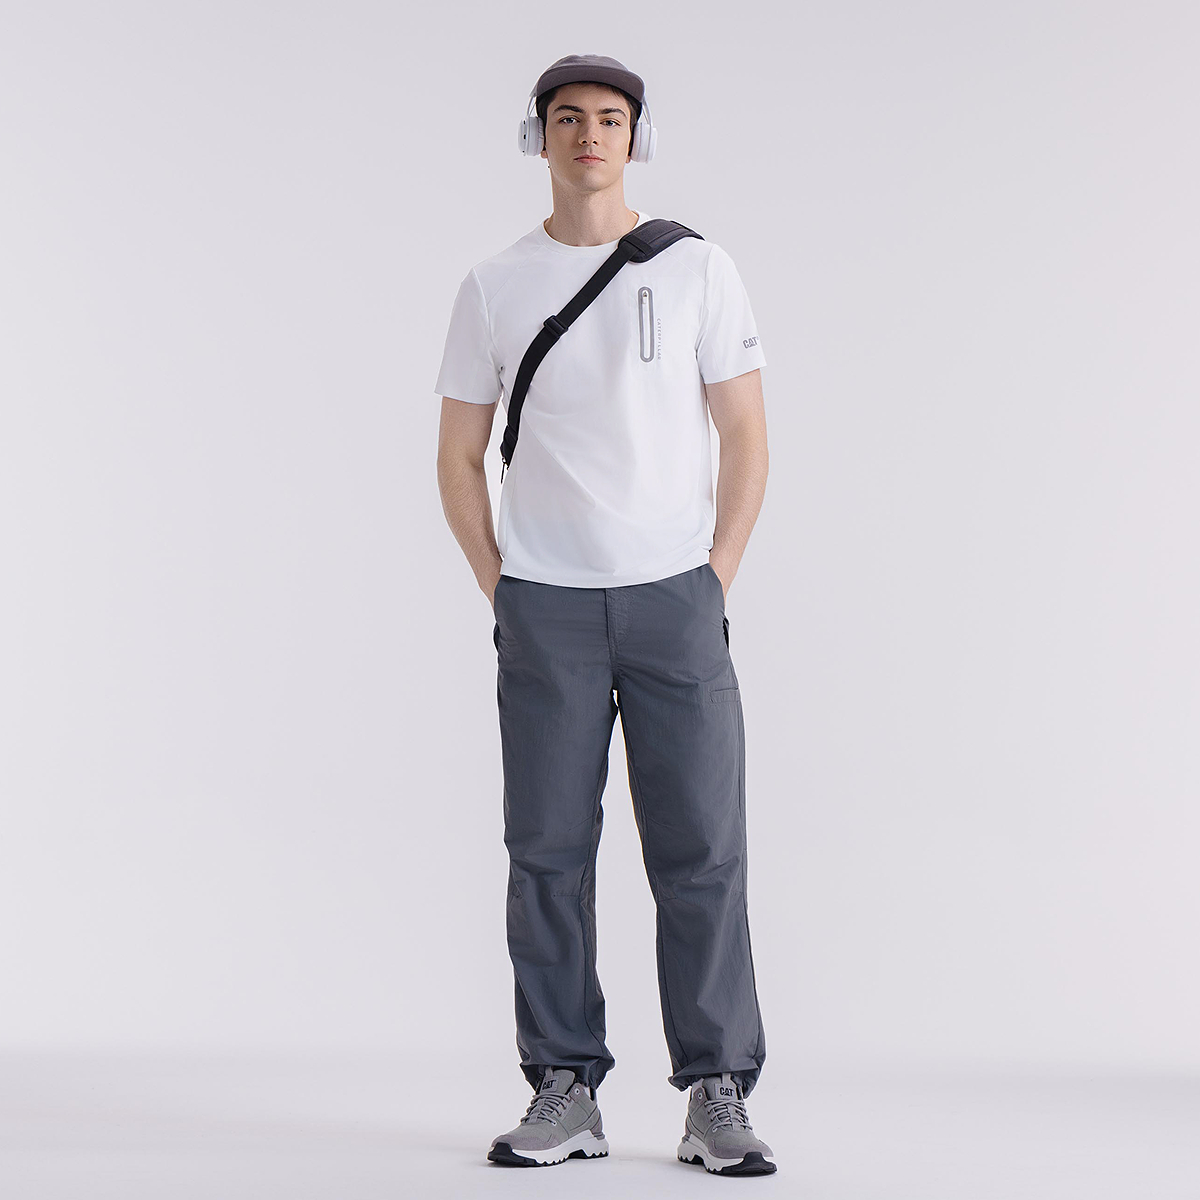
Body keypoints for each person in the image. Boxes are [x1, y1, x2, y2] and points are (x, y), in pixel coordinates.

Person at [434, 54, 776, 1177]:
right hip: (547, 608)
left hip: (675, 598)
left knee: (702, 851)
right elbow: (457, 454)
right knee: (546, 854)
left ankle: (715, 1090)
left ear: (639, 138)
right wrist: (503, 584)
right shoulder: (494, 284)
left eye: (612, 119)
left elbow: (746, 433)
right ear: (538, 136)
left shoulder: (698, 268)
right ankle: (564, 1086)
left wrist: (715, 574)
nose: (591, 134)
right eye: (570, 118)